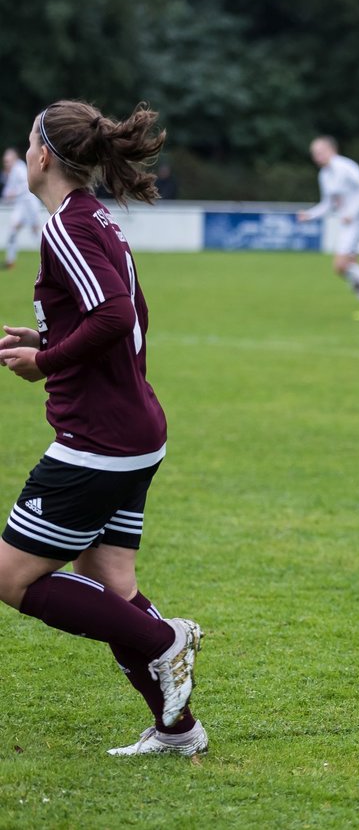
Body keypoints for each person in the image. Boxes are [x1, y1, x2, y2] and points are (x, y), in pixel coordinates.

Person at [0, 100, 205, 756]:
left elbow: (116, 316)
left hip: (99, 440)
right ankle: (178, 730)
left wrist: (46, 360)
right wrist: (48, 337)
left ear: (42, 156)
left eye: (29, 139)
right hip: (129, 431)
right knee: (111, 584)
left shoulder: (68, 226)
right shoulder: (94, 220)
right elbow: (122, 315)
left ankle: (164, 640)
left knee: (11, 578)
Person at [296, 136, 359, 321]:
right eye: (314, 154)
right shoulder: (324, 175)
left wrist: (352, 210)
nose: (316, 157)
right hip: (348, 223)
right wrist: (310, 215)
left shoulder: (346, 167)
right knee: (342, 268)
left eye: (319, 152)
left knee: (344, 265)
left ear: (331, 150)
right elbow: (328, 204)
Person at [3, 147, 46, 270]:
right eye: (5, 161)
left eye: (8, 161)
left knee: (36, 232)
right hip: (21, 207)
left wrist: (12, 193)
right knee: (13, 231)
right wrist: (8, 195)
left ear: (14, 159)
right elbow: (8, 191)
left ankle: (48, 258)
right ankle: (10, 261)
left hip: (29, 205)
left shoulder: (19, 168)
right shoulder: (11, 172)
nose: (6, 163)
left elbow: (25, 187)